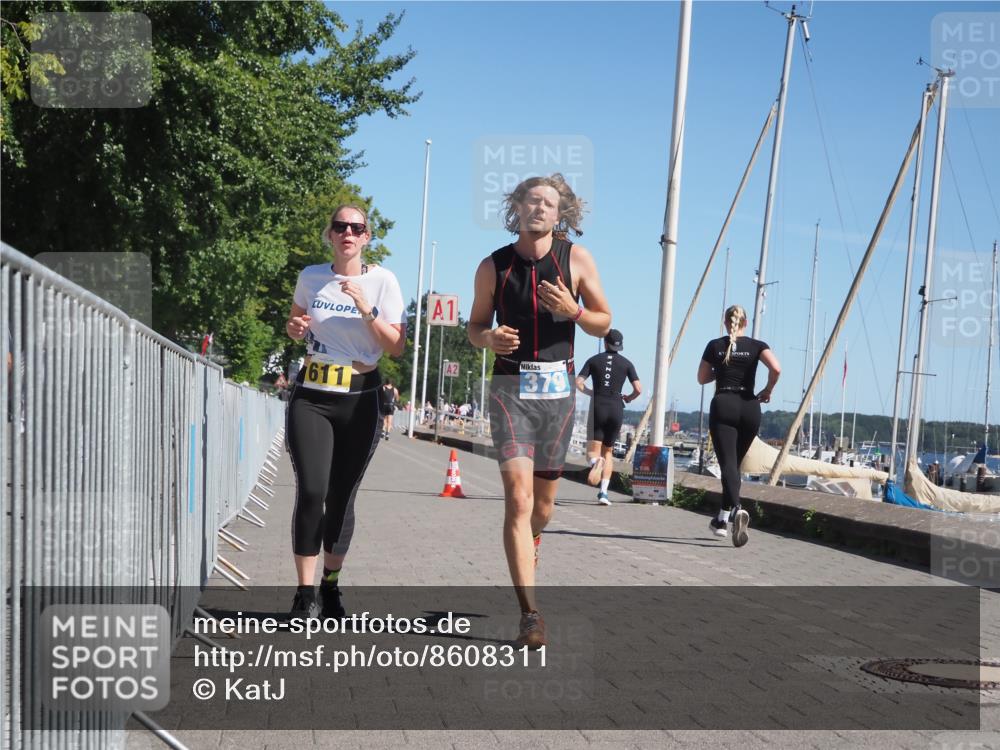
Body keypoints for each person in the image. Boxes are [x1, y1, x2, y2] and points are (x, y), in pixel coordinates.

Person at [468, 173, 611, 648]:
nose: (540, 209)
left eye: (549, 203)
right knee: (519, 499)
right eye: (531, 201)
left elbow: (604, 321)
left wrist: (574, 311)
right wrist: (487, 338)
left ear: (560, 212)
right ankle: (530, 614)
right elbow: (474, 325)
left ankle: (530, 546)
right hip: (509, 389)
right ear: (517, 207)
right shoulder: (494, 266)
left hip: (557, 394)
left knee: (543, 509)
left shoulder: (576, 260)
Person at [285, 204, 406, 619]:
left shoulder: (382, 281)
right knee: (312, 490)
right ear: (330, 234)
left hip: (360, 397)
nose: (348, 233)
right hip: (313, 394)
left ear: (366, 237)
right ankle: (305, 595)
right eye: (340, 227)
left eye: (356, 228)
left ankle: (330, 586)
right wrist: (296, 328)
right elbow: (296, 321)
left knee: (341, 497)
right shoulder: (312, 277)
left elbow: (396, 346)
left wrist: (366, 309)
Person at [697, 304, 781, 547]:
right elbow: (776, 368)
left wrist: (721, 370)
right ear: (746, 323)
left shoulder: (715, 345)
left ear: (726, 323)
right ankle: (722, 521)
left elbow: (702, 378)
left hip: (725, 403)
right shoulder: (757, 345)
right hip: (750, 406)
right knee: (733, 467)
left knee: (728, 467)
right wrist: (767, 390)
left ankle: (736, 510)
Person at [575, 329, 641, 505]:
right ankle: (603, 493)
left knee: (592, 452)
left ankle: (596, 462)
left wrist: (590, 392)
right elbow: (638, 389)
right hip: (616, 408)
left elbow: (578, 382)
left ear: (605, 343)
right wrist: (629, 398)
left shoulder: (593, 360)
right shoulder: (627, 363)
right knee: (609, 452)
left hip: (598, 407)